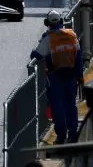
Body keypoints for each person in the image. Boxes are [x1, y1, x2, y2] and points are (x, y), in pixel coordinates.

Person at [29, 11, 84, 145]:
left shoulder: (48, 38)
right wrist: (80, 77)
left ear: (47, 23)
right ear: (61, 22)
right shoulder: (72, 35)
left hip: (55, 77)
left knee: (57, 106)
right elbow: (78, 57)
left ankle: (61, 135)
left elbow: (36, 56)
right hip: (71, 76)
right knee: (71, 105)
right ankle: (73, 134)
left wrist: (34, 52)